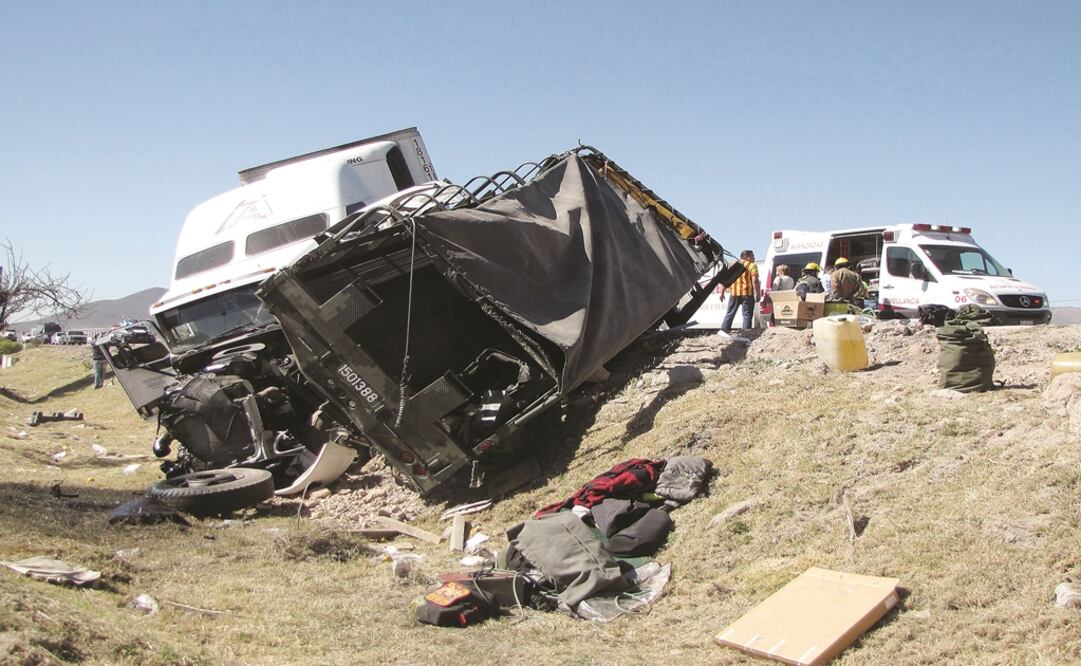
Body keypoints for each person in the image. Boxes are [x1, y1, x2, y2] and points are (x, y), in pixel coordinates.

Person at [721, 250, 760, 333]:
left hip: (734, 293)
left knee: (730, 313)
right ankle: (746, 332)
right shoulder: (752, 265)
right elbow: (755, 280)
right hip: (747, 293)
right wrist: (757, 293)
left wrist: (722, 293)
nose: (754, 258)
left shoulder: (733, 265)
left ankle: (724, 331)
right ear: (746, 257)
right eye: (752, 256)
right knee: (747, 315)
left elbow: (726, 280)